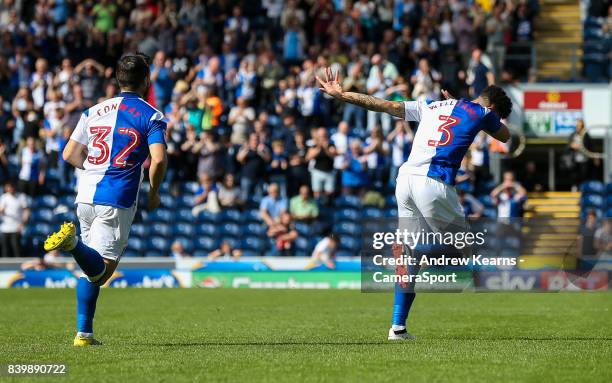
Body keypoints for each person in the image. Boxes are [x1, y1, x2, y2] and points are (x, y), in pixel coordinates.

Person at [316, 67, 511, 341]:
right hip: (434, 182)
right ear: (492, 106)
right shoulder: (484, 113)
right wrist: (487, 117)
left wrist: (342, 94)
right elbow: (505, 136)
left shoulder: (430, 105)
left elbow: (383, 105)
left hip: (405, 180)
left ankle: (397, 327)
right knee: (467, 248)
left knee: (409, 263)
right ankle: (415, 251)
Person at [43, 54, 168, 346]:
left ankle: (84, 334)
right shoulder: (151, 115)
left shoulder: (92, 111)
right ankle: (71, 243)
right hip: (117, 195)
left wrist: (95, 169)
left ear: (117, 80)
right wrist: (154, 190)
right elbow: (159, 160)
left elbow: (69, 155)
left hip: (85, 195)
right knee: (102, 272)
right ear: (146, 80)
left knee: (92, 267)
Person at [0, 180, 30, 257]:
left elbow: (26, 210)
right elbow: (1, 210)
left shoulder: (21, 197)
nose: (10, 189)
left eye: (11, 187)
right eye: (8, 187)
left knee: (16, 247)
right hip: (5, 227)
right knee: (5, 248)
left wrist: (23, 223)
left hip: (17, 226)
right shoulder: (4, 197)